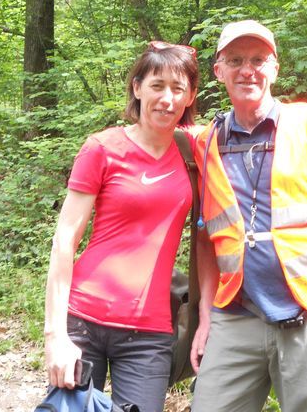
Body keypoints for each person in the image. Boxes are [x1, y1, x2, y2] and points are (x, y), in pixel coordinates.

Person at [190, 20, 307, 412]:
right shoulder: (206, 142)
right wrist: (205, 317)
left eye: (258, 59)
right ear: (218, 71)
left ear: (275, 68)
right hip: (235, 314)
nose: (247, 69)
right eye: (235, 60)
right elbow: (207, 238)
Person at [44, 41, 198, 412]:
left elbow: (254, 126)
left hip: (150, 331)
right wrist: (56, 336)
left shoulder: (196, 149)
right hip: (83, 318)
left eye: (178, 89)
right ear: (137, 88)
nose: (167, 98)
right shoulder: (102, 148)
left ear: (191, 95)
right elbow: (66, 240)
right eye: (157, 85)